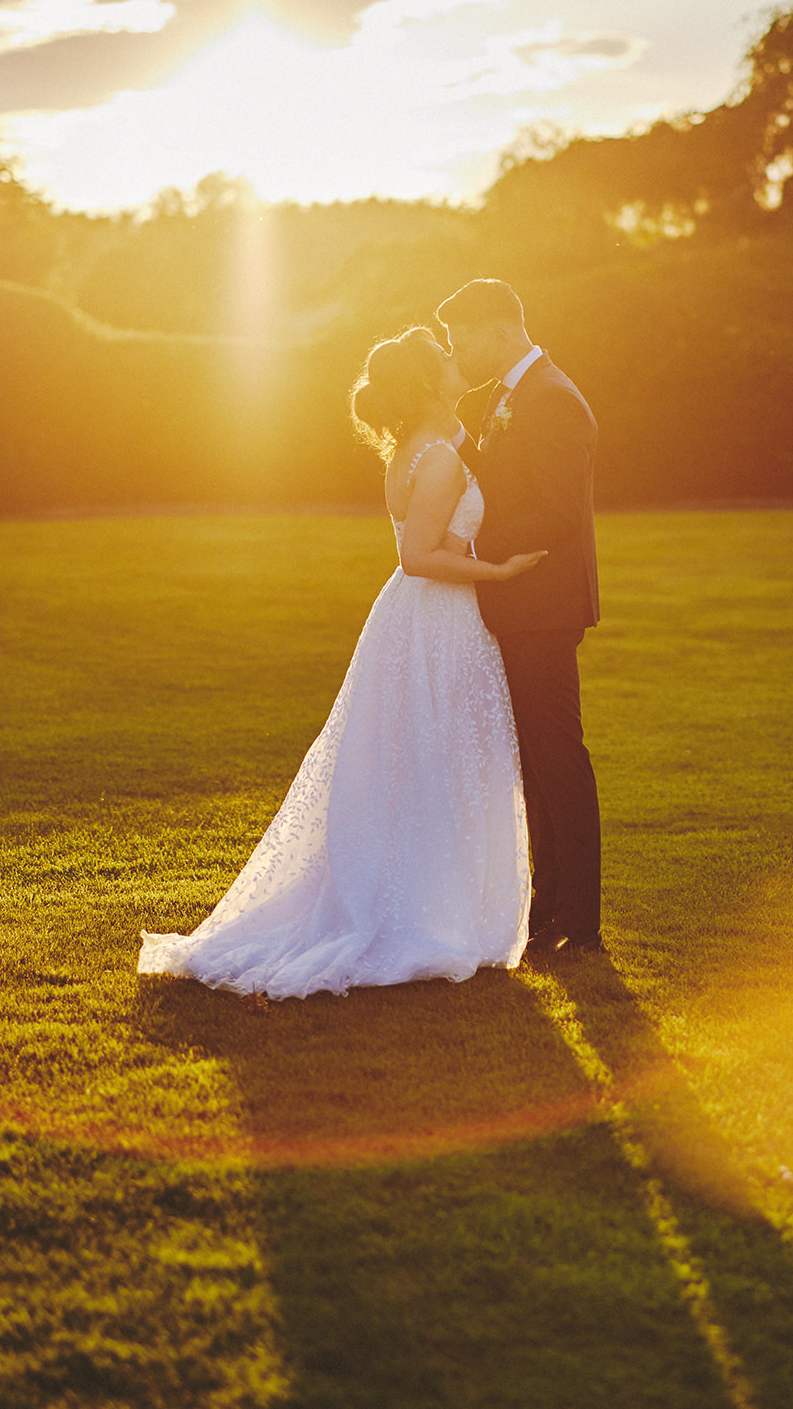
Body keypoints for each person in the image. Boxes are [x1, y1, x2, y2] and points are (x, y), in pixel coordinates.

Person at [138, 327, 546, 997]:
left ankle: (432, 900)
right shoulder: (437, 456)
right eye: (444, 357)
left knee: (425, 761)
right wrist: (497, 570)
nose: (455, 357)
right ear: (424, 381)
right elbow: (417, 556)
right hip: (438, 618)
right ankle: (429, 913)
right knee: (441, 759)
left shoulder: (420, 450)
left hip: (416, 618)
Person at [435, 279, 605, 955]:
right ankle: (548, 903)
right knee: (532, 761)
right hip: (518, 602)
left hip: (545, 603)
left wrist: (474, 547)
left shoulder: (553, 399)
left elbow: (558, 512)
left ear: (500, 330)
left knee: (557, 757)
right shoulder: (510, 397)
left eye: (461, 336)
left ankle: (581, 920)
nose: (457, 349)